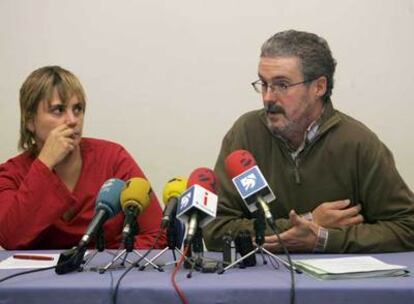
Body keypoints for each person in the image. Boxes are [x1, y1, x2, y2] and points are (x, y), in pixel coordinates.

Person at [203, 30, 414, 253]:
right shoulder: (246, 134)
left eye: (282, 85)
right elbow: (214, 229)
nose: (268, 97)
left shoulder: (358, 143)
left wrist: (324, 239)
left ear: (319, 87)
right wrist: (309, 221)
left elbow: (407, 227)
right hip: (263, 282)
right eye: (264, 84)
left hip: (340, 286)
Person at [0, 66, 166, 250]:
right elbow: (10, 239)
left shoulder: (113, 158)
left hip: (106, 274)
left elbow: (158, 234)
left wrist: (102, 260)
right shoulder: (11, 174)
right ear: (30, 120)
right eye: (58, 110)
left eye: (77, 109)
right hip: (40, 277)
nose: (72, 120)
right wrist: (44, 163)